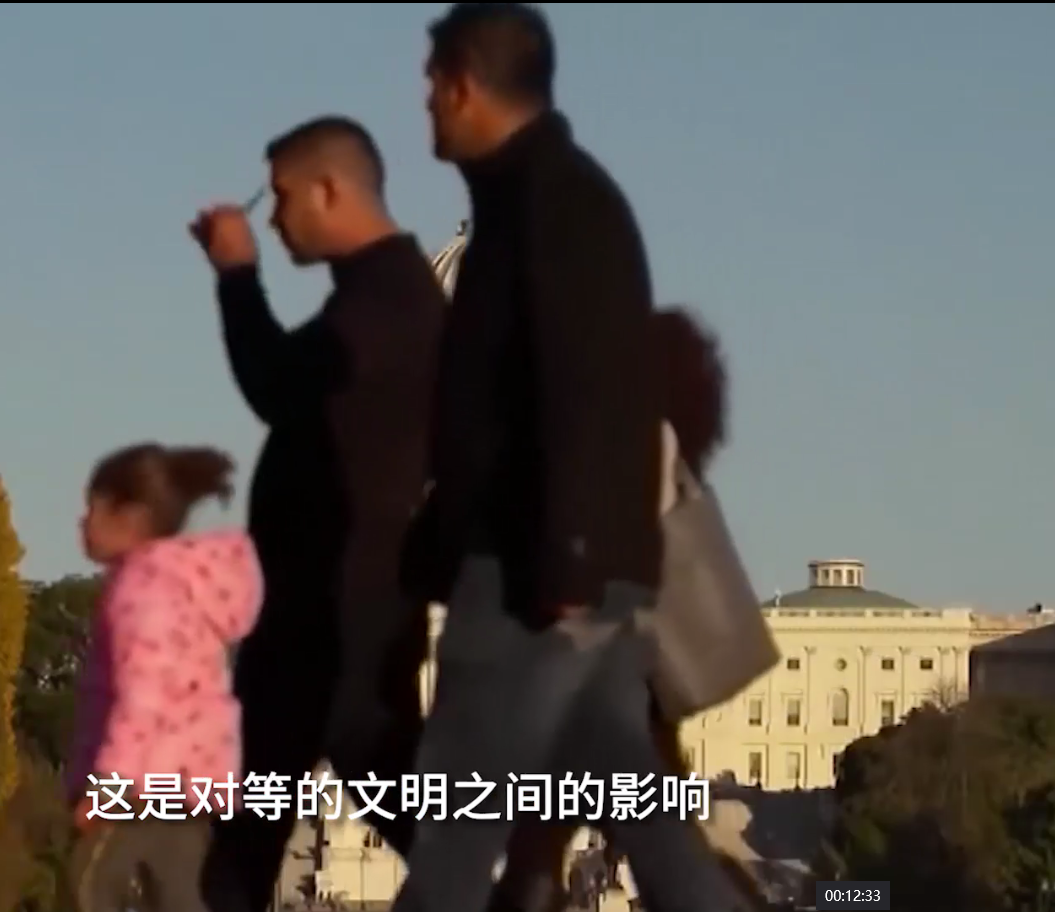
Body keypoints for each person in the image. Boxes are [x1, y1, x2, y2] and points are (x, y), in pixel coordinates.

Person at [397, 5, 746, 911]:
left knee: (454, 829)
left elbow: (579, 393)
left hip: (534, 580)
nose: (424, 104)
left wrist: (564, 562)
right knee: (650, 831)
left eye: (431, 85)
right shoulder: (546, 202)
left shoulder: (551, 208)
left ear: (466, 86)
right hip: (558, 572)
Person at [188, 116, 447, 912]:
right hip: (338, 615)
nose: (272, 218)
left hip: (332, 620)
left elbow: (276, 384)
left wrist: (237, 275)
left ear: (329, 190)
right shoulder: (387, 298)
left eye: (282, 196)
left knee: (248, 855)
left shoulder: (384, 305)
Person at [490, 308, 767, 912]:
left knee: (662, 860)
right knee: (561, 855)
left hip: (595, 671)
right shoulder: (634, 429)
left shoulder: (606, 433)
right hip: (604, 673)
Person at [65, 444, 262, 912]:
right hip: (193, 786)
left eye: (93, 508)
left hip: (140, 785)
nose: (82, 522)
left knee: (89, 887)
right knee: (182, 897)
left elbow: (143, 694)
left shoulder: (141, 589)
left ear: (130, 516)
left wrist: (110, 784)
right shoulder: (186, 586)